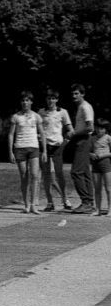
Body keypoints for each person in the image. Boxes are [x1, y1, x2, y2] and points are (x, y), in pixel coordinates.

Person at [8, 90, 45, 214]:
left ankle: (34, 204)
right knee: (24, 177)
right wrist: (11, 152)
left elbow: (42, 134)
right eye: (23, 100)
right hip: (20, 148)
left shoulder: (36, 116)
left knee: (35, 175)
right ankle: (26, 204)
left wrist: (44, 151)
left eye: (27, 100)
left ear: (31, 102)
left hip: (33, 147)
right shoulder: (16, 116)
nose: (25, 102)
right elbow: (11, 134)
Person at [38, 88, 73, 211]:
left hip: (57, 146)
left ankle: (65, 200)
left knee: (59, 175)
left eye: (53, 98)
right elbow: (38, 129)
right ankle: (50, 202)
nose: (51, 101)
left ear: (57, 99)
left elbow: (70, 130)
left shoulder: (63, 112)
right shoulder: (41, 112)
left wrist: (65, 143)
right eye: (49, 98)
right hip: (45, 146)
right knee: (47, 176)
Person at [68, 84, 96, 214]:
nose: (74, 96)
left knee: (76, 172)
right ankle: (90, 202)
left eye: (76, 93)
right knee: (85, 173)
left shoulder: (85, 107)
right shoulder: (80, 107)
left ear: (82, 94)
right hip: (81, 139)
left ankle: (86, 202)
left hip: (84, 139)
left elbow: (90, 127)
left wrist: (74, 133)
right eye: (73, 94)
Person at [91, 119, 111, 216]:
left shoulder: (108, 138)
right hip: (95, 165)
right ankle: (97, 209)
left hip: (106, 164)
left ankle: (110, 209)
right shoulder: (92, 138)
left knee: (108, 188)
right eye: (97, 128)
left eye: (102, 128)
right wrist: (91, 154)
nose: (99, 130)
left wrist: (102, 155)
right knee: (97, 188)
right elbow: (89, 151)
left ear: (105, 129)